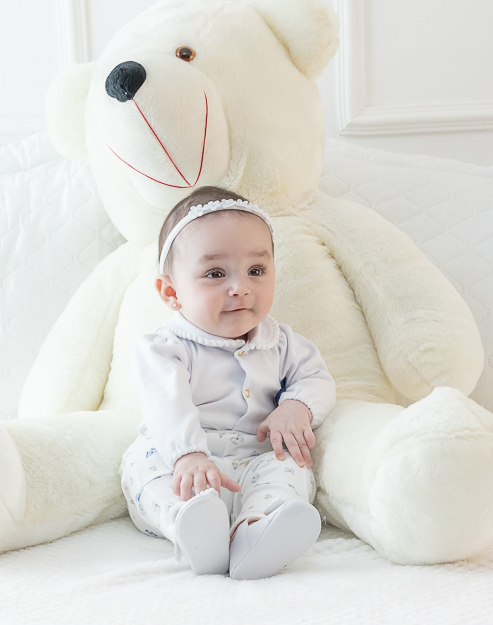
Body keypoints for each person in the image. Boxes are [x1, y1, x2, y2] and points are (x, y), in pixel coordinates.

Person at [118, 185, 337, 580]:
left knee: (287, 467)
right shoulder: (164, 348)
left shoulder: (281, 341)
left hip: (254, 457)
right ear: (171, 292)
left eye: (256, 270)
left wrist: (295, 407)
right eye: (215, 274)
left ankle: (257, 529)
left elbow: (316, 378)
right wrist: (188, 455)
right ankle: (189, 526)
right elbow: (166, 405)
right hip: (182, 460)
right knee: (146, 468)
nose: (241, 287)